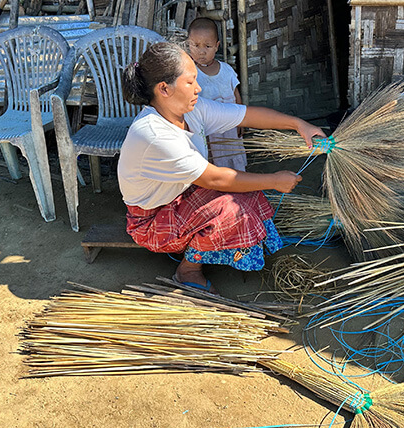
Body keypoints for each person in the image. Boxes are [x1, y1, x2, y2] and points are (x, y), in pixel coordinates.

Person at [119, 42, 325, 293]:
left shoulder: (189, 110)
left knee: (249, 191)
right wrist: (274, 180)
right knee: (233, 209)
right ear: (164, 89)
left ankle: (219, 247)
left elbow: (245, 115)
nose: (198, 88)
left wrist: (297, 124)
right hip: (151, 222)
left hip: (179, 196)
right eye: (190, 82)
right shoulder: (154, 135)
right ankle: (188, 270)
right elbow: (216, 179)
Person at [186, 17, 247, 171]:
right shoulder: (191, 74)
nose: (201, 51)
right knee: (214, 160)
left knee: (233, 155)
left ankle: (239, 183)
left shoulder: (226, 70)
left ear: (216, 46)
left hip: (230, 127)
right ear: (188, 45)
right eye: (196, 45)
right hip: (209, 130)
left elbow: (236, 95)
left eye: (207, 46)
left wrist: (241, 121)